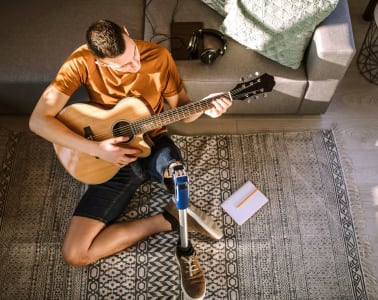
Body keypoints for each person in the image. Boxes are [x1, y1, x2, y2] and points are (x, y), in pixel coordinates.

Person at [29, 19, 231, 299]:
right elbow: (38, 121)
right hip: (106, 158)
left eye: (133, 54)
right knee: (75, 253)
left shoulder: (159, 57)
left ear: (126, 31)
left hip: (153, 142)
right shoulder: (80, 62)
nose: (135, 65)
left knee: (178, 179)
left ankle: (184, 243)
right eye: (123, 65)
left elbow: (183, 109)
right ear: (99, 62)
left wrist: (206, 106)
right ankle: (166, 220)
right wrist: (98, 150)